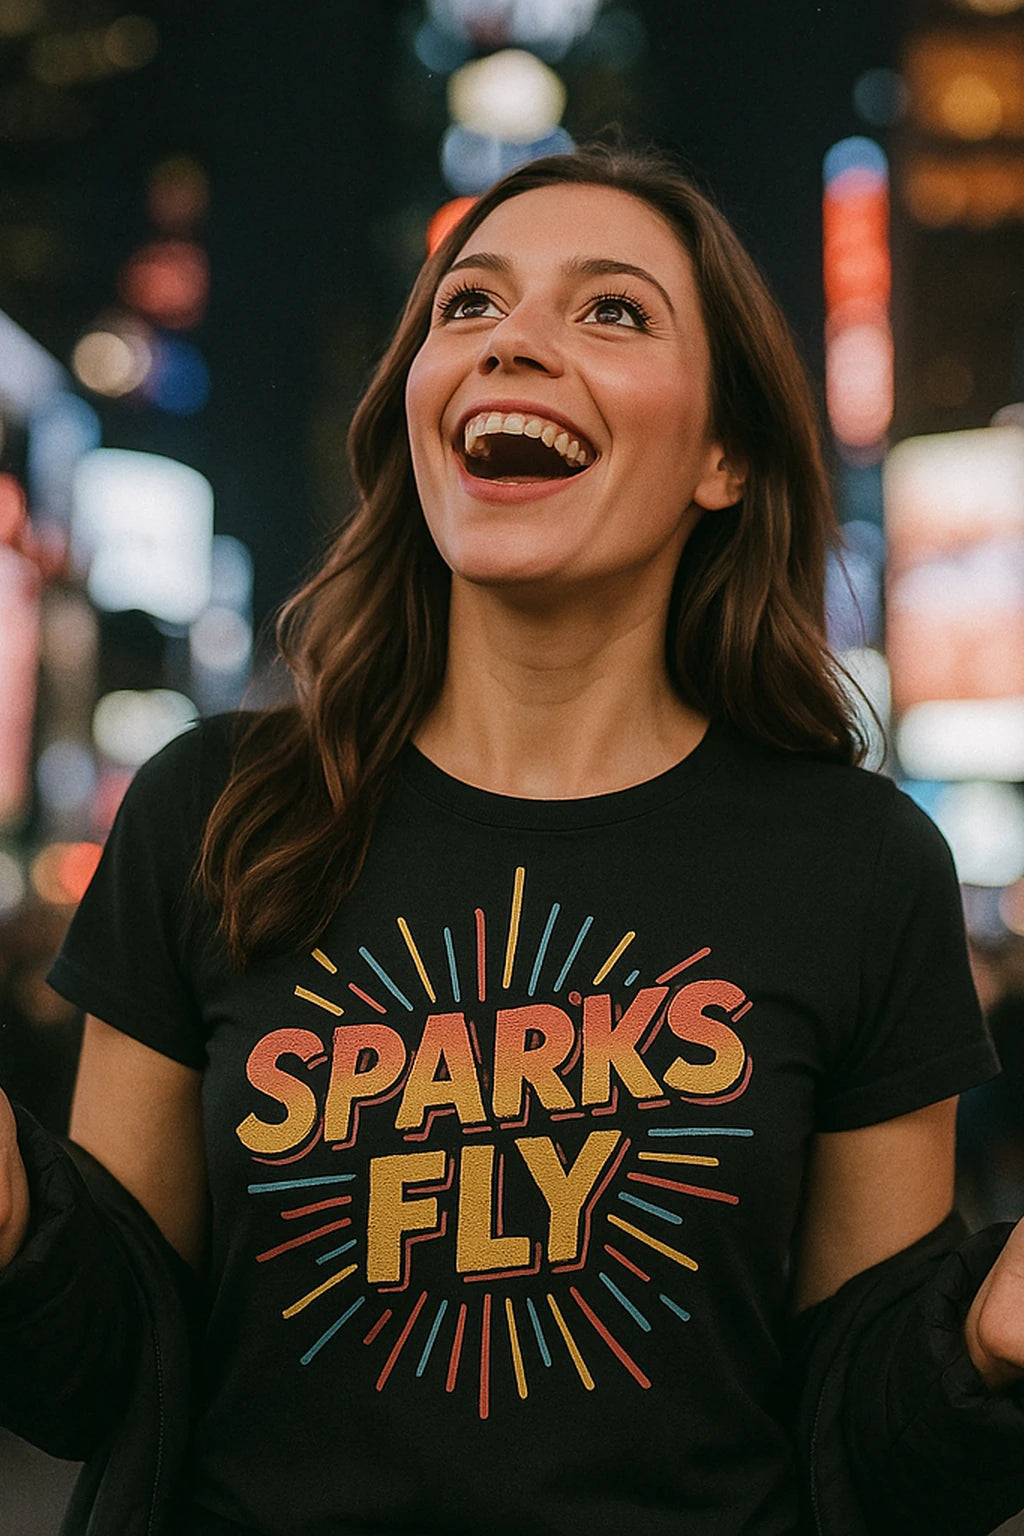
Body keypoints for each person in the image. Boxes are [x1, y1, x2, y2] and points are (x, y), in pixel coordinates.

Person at [2, 142, 1024, 1536]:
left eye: (611, 310)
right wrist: (12, 1216)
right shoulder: (214, 807)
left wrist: (985, 1342)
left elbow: (870, 1439)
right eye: (467, 308)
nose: (512, 345)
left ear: (725, 455)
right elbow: (100, 1372)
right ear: (414, 404)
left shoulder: (858, 862)